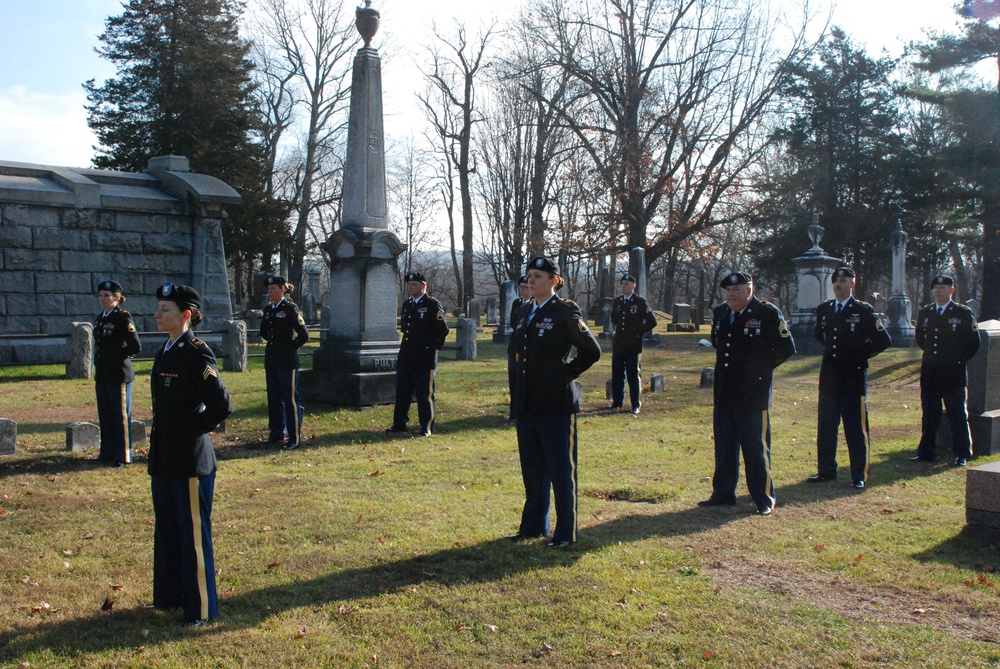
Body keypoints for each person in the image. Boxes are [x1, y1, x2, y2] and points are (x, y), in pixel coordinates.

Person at [148, 283, 232, 626]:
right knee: (167, 529)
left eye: (165, 309)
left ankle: (199, 609)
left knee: (193, 534)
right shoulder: (164, 350)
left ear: (185, 315)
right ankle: (168, 598)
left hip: (189, 460)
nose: (157, 314)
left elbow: (221, 405)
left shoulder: (197, 352)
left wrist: (189, 429)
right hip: (164, 457)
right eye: (158, 308)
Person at [507, 256, 601, 548]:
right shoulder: (524, 311)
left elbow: (592, 350)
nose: (531, 281)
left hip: (555, 404)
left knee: (561, 471)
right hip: (527, 402)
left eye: (538, 276)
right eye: (530, 276)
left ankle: (564, 533)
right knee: (533, 469)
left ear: (554, 282)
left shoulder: (564, 312)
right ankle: (534, 526)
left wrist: (566, 373)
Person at [699, 271, 795, 516]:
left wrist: (761, 371)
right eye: (728, 291)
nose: (731, 294)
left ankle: (764, 499)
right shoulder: (721, 313)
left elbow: (786, 348)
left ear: (749, 290)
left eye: (736, 290)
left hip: (753, 395)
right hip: (725, 392)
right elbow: (718, 343)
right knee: (724, 447)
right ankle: (722, 494)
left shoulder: (766, 313)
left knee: (756, 449)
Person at [807, 267, 892, 489]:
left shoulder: (862, 310)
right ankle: (826, 471)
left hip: (852, 378)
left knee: (856, 430)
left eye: (844, 280)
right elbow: (819, 334)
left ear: (852, 284)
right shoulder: (825, 309)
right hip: (829, 377)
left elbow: (883, 340)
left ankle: (859, 475)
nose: (838, 284)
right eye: (836, 280)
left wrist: (860, 354)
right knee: (826, 429)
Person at [912, 275, 981, 466]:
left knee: (957, 414)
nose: (938, 291)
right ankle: (926, 451)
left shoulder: (962, 313)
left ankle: (962, 453)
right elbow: (920, 338)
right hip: (931, 373)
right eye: (935, 288)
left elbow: (974, 342)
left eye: (942, 287)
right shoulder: (926, 312)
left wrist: (958, 360)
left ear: (952, 290)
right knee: (930, 415)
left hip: (953, 373)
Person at [387, 272, 449, 437]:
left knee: (424, 394)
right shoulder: (408, 305)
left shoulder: (431, 304)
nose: (410, 287)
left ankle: (426, 427)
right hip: (406, 356)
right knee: (402, 392)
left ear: (423, 286)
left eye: (414, 285)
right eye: (409, 285)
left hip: (423, 358)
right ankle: (399, 424)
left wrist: (431, 348)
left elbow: (442, 330)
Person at [93, 280, 142, 467]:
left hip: (118, 374)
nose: (102, 299)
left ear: (117, 298)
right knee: (105, 415)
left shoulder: (122, 317)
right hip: (103, 374)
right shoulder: (100, 318)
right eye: (100, 295)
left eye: (107, 296)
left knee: (120, 417)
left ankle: (124, 456)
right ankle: (107, 453)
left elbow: (135, 345)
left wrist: (115, 357)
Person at [259, 275, 309, 450]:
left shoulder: (290, 308)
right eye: (269, 289)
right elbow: (264, 332)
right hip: (272, 359)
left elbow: (304, 335)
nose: (270, 292)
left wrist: (289, 348)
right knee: (273, 398)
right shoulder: (268, 309)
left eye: (273, 289)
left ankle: (294, 437)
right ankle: (276, 434)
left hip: (287, 361)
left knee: (289, 399)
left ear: (282, 290)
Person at [609, 273, 657, 414]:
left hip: (633, 344)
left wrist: (638, 331)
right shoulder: (618, 301)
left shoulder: (640, 301)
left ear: (633, 286)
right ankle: (617, 402)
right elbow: (615, 319)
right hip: (619, 343)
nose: (624, 287)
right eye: (623, 284)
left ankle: (635, 404)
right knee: (617, 374)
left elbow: (652, 321)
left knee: (633, 375)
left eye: (627, 284)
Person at [506, 275, 530, 420]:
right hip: (515, 345)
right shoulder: (517, 303)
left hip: (527, 347)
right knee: (513, 379)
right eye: (520, 287)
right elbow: (513, 323)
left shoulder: (534, 304)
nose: (522, 290)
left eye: (525, 287)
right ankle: (513, 412)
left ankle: (523, 411)